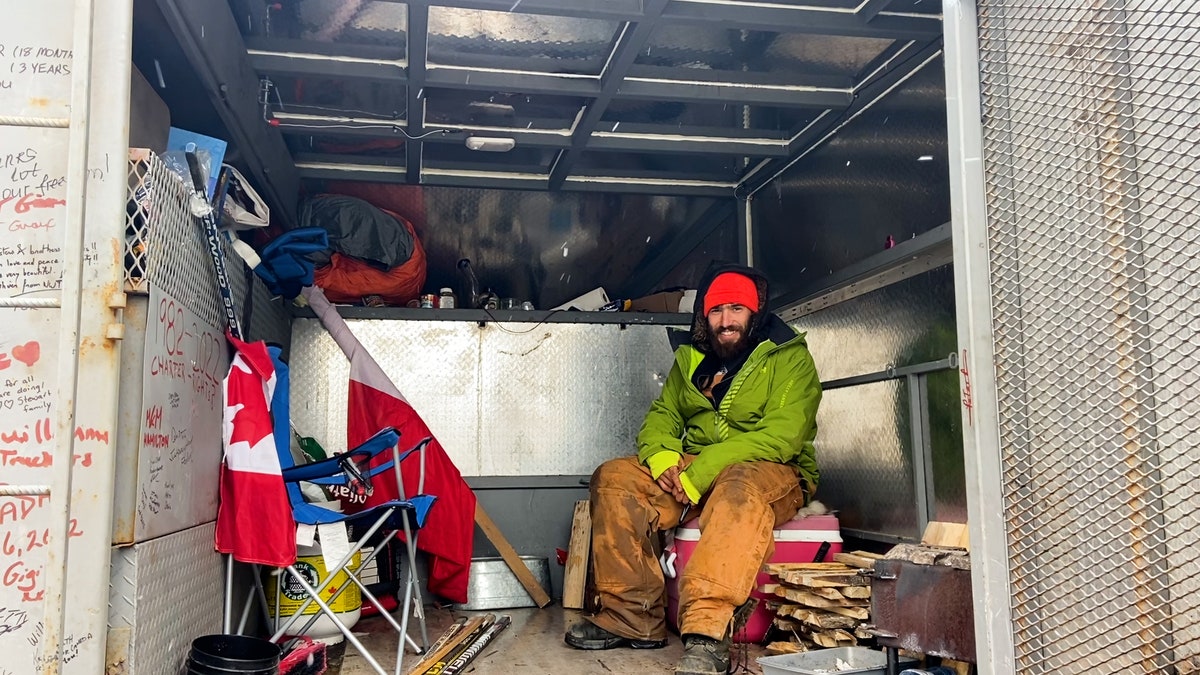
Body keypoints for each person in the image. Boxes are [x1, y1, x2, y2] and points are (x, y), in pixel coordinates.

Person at [563, 263, 822, 675]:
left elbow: (782, 437)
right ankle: (633, 618)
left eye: (736, 309)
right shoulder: (692, 359)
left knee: (738, 488)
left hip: (772, 469)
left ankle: (706, 634)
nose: (725, 321)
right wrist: (665, 460)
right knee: (615, 478)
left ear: (755, 313)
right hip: (696, 466)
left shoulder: (788, 356)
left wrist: (700, 473)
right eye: (716, 311)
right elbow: (663, 416)